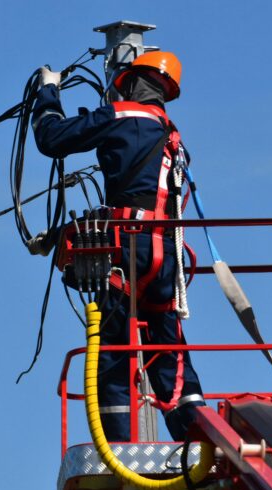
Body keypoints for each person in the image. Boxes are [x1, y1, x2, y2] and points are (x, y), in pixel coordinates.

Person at [31, 52, 204, 442]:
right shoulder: (172, 136)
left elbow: (51, 138)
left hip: (126, 250)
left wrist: (48, 91)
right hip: (164, 257)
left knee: (114, 352)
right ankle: (197, 434)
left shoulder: (121, 116)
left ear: (127, 83)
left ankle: (121, 446)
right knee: (170, 351)